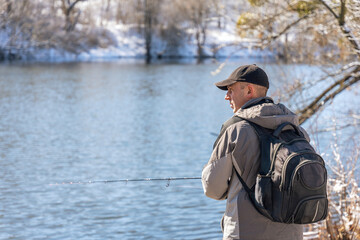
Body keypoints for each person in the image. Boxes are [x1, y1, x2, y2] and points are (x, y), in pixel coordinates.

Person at [201, 64, 307, 240]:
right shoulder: (297, 130)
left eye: (231, 90)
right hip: (291, 233)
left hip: (244, 233)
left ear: (249, 91)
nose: (227, 97)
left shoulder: (234, 129)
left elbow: (212, 187)